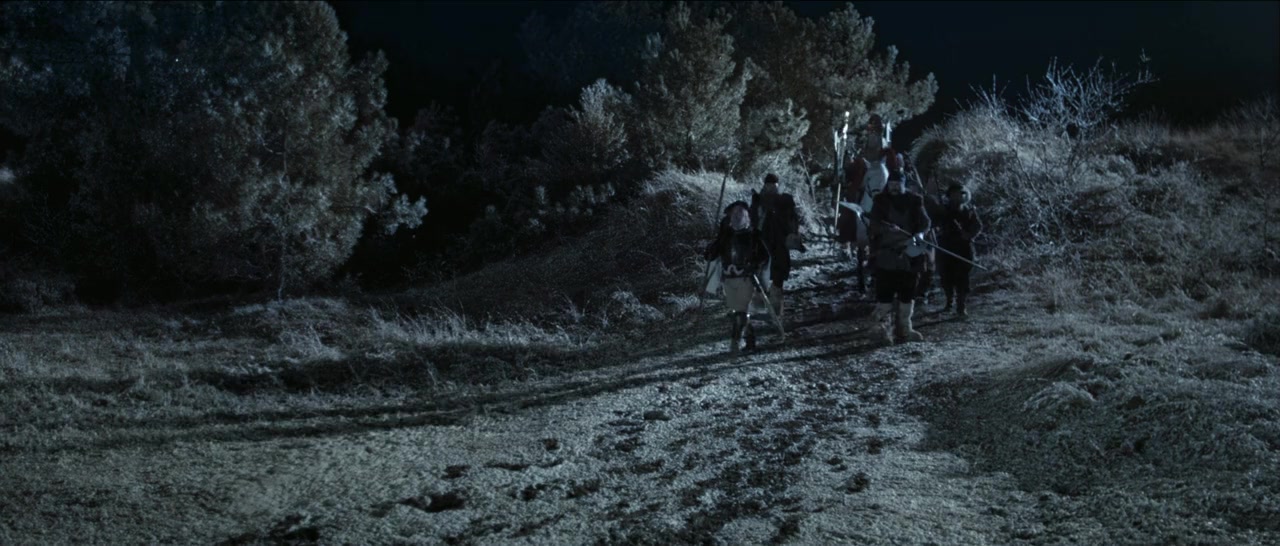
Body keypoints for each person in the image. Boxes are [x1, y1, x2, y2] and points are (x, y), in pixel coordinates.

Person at [866, 170, 931, 344]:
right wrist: (886, 228)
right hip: (886, 254)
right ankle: (882, 331)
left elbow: (925, 223)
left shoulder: (915, 200)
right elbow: (873, 225)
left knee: (907, 294)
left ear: (903, 185)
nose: (894, 187)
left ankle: (905, 329)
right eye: (891, 184)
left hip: (909, 254)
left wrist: (920, 234)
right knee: (885, 295)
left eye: (898, 184)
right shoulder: (880, 201)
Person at [704, 201, 771, 355]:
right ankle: (751, 341)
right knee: (738, 311)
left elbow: (764, 257)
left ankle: (735, 342)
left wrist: (753, 266)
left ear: (747, 216)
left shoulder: (754, 235)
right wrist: (710, 249)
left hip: (747, 279)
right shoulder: (725, 235)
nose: (737, 216)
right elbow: (711, 255)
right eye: (734, 213)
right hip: (728, 279)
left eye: (741, 212)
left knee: (740, 310)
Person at [749, 173, 805, 322]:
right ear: (765, 186)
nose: (771, 188)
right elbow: (753, 220)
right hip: (761, 241)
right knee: (759, 275)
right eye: (769, 185)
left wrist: (793, 233)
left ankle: (776, 311)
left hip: (779, 242)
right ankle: (758, 307)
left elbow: (792, 220)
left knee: (778, 276)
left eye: (774, 185)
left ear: (777, 186)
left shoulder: (784, 200)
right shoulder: (758, 200)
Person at [931, 183, 983, 317]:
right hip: (945, 247)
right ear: (950, 196)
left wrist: (969, 235)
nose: (958, 197)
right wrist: (939, 216)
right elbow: (933, 223)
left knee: (962, 278)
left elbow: (977, 226)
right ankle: (949, 301)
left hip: (963, 247)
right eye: (955, 194)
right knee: (946, 277)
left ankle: (961, 305)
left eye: (961, 194)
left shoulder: (969, 210)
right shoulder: (943, 210)